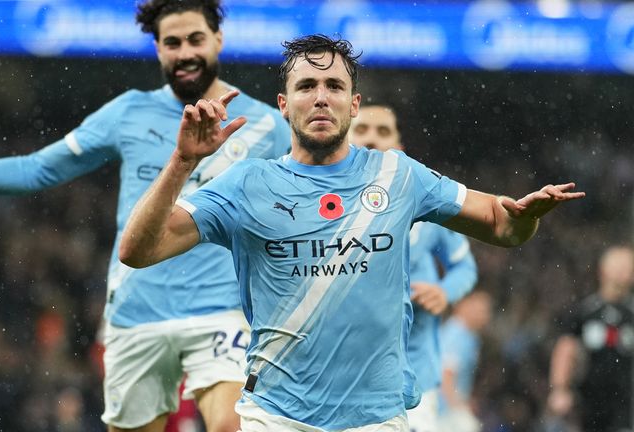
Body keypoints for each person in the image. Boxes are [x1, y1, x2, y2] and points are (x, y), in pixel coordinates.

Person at [116, 34, 584, 431]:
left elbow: (503, 226)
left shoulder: (398, 175)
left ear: (354, 104)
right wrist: (182, 163)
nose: (321, 96)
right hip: (276, 417)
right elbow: (137, 250)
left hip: (377, 418)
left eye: (334, 85)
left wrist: (526, 216)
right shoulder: (247, 183)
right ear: (283, 104)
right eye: (306, 86)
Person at [0, 1, 291, 431]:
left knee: (232, 424)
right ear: (157, 49)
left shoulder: (263, 125)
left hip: (222, 310)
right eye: (172, 42)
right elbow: (38, 168)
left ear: (218, 40)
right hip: (136, 307)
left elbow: (307, 193)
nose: (184, 51)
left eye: (195, 39)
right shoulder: (128, 112)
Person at [350, 105, 479, 432]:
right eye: (362, 129)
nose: (371, 140)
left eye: (383, 132)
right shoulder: (321, 208)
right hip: (346, 374)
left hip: (415, 373)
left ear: (399, 148)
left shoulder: (426, 206)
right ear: (346, 138)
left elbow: (465, 267)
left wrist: (444, 292)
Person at [547, 245, 634, 432]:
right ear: (603, 270)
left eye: (628, 266)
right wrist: (560, 389)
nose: (624, 272)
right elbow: (565, 349)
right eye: (619, 266)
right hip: (589, 400)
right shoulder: (584, 312)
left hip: (627, 402)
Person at [437, 291, 492, 432]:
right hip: (442, 412)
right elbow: (445, 376)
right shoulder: (455, 334)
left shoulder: (468, 336)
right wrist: (458, 407)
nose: (485, 316)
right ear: (464, 305)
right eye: (480, 310)